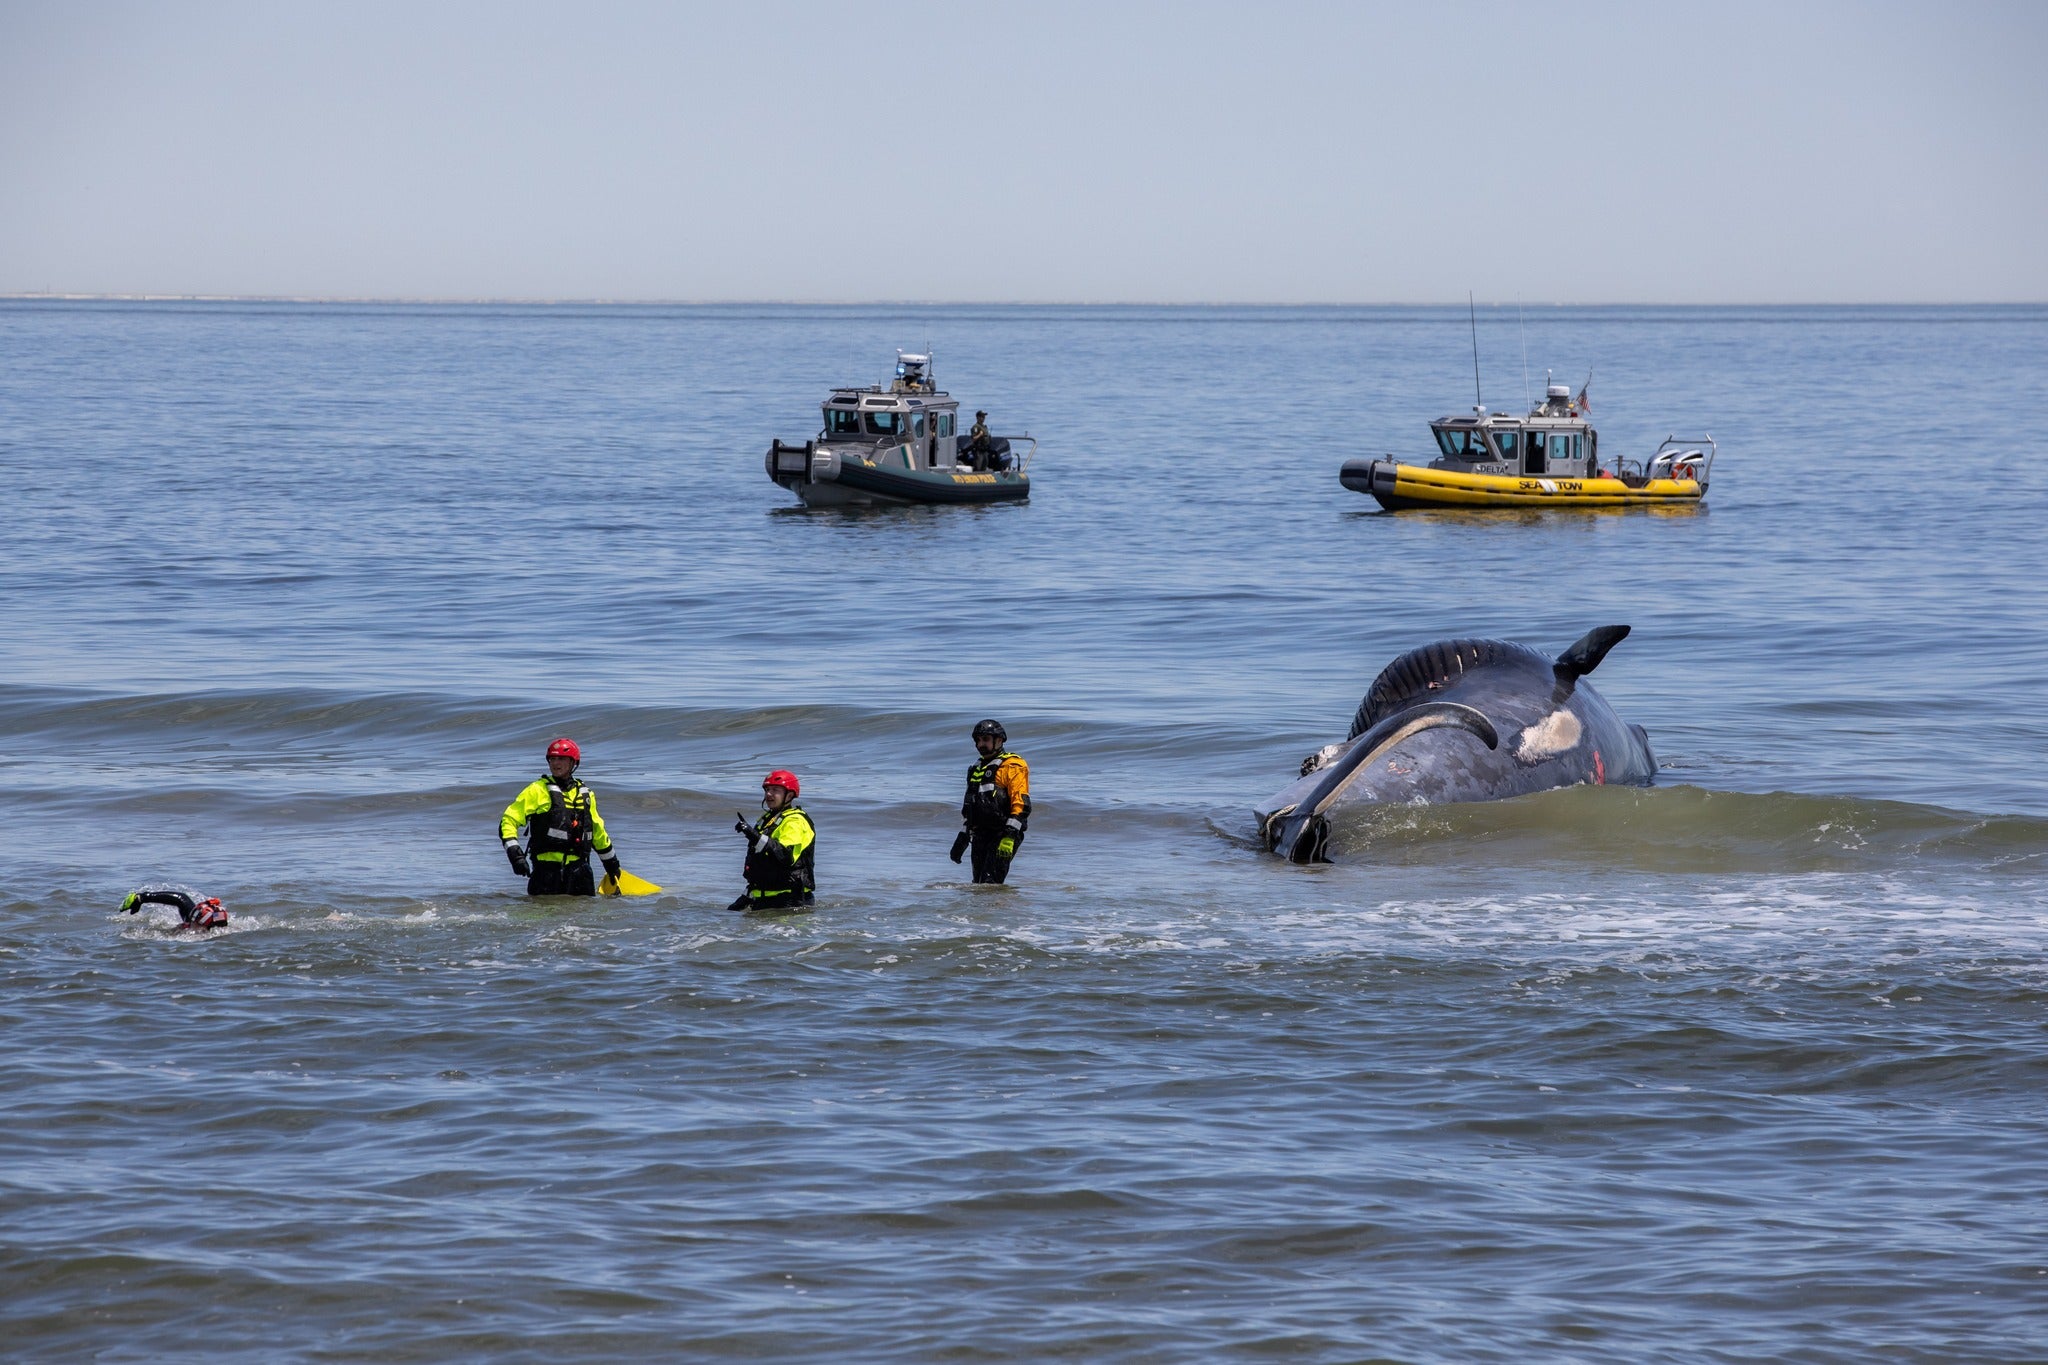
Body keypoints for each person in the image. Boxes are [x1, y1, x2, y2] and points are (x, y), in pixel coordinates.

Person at [499, 737, 621, 896]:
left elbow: (598, 833)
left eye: (561, 759)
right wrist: (515, 855)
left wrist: (612, 865)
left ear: (573, 763)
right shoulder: (537, 790)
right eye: (552, 759)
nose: (556, 763)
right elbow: (508, 821)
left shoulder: (586, 794)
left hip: (580, 873)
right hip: (546, 873)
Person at [952, 719, 1029, 884]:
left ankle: (1001, 908)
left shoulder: (1013, 765)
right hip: (981, 834)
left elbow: (1021, 804)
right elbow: (970, 806)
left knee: (991, 882)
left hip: (1003, 833)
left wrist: (1009, 836)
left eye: (985, 739)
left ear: (999, 740)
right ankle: (983, 911)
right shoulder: (976, 768)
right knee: (978, 883)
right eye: (978, 740)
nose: (981, 744)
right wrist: (963, 837)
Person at [729, 769, 815, 912]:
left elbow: (785, 856)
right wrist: (747, 896)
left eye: (775, 790)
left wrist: (754, 835)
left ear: (790, 795)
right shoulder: (767, 820)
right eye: (767, 790)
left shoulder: (795, 821)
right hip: (762, 898)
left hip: (789, 902)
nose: (769, 794)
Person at [120, 885, 228, 930]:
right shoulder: (214, 924)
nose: (191, 917)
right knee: (182, 899)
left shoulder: (191, 935)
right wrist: (143, 898)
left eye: (194, 917)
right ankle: (140, 898)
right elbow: (180, 898)